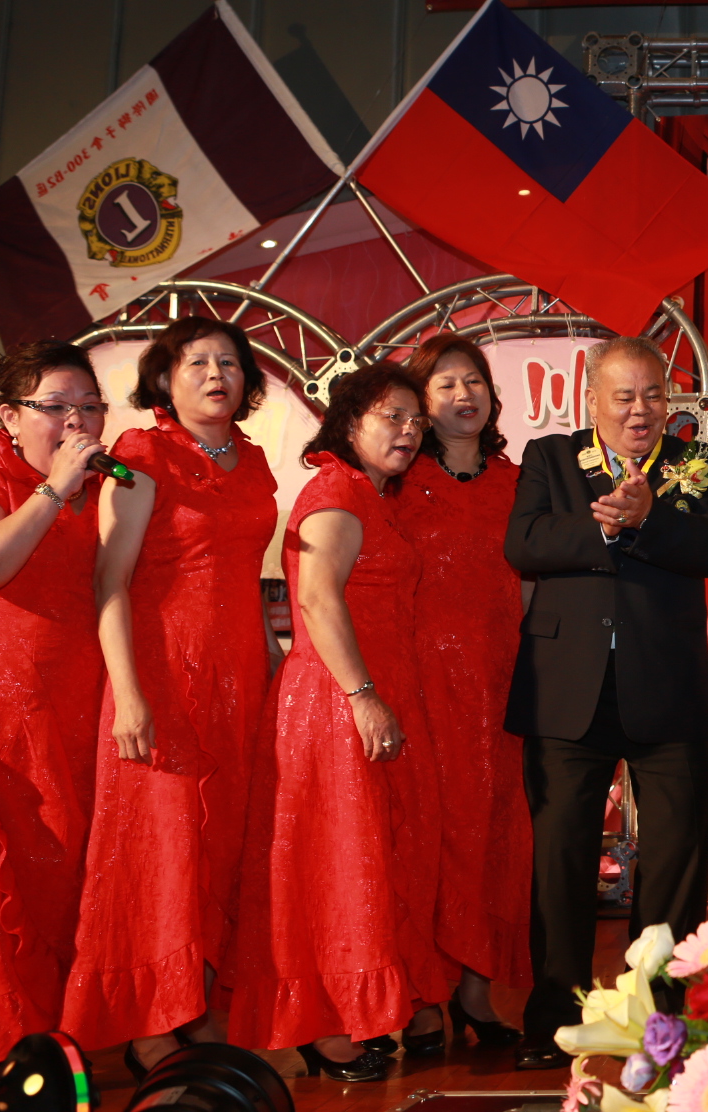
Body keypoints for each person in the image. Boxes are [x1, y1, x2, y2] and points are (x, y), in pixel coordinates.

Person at [505, 337, 708, 1070]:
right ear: (592, 400)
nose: (640, 410)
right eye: (624, 396)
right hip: (566, 692)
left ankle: (657, 1018)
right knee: (560, 861)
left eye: (653, 395)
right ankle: (555, 1018)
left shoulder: (700, 465)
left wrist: (647, 517)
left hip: (667, 687)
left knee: (674, 862)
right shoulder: (550, 458)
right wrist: (606, 525)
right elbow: (525, 543)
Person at [63, 317, 281, 1071]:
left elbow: (248, 578)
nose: (217, 375)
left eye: (230, 363)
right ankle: (147, 1021)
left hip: (240, 676)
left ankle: (198, 1002)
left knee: (221, 842)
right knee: (158, 846)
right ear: (163, 379)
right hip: (161, 673)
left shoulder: (254, 461)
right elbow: (108, 581)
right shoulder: (140, 454)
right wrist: (127, 693)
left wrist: (274, 663)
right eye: (198, 363)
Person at [226, 364, 446, 1078]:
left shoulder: (371, 494)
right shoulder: (336, 492)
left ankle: (351, 1009)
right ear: (350, 424)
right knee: (329, 861)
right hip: (336, 699)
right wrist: (363, 696)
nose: (408, 431)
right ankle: (317, 1023)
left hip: (365, 693)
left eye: (415, 420)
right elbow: (317, 600)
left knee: (360, 861)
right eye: (391, 416)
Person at [0, 343, 110, 1076]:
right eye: (56, 406)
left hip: (79, 706)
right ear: (10, 417)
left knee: (66, 872)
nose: (77, 420)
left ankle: (55, 1037)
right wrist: (53, 489)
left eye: (90, 406)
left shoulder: (106, 489)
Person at [397, 333, 528, 1049]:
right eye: (444, 383)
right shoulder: (397, 481)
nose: (463, 394)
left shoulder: (520, 482)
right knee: (426, 836)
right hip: (422, 684)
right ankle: (422, 997)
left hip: (502, 682)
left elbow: (535, 585)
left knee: (492, 834)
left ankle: (476, 993)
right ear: (421, 402)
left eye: (473, 380)